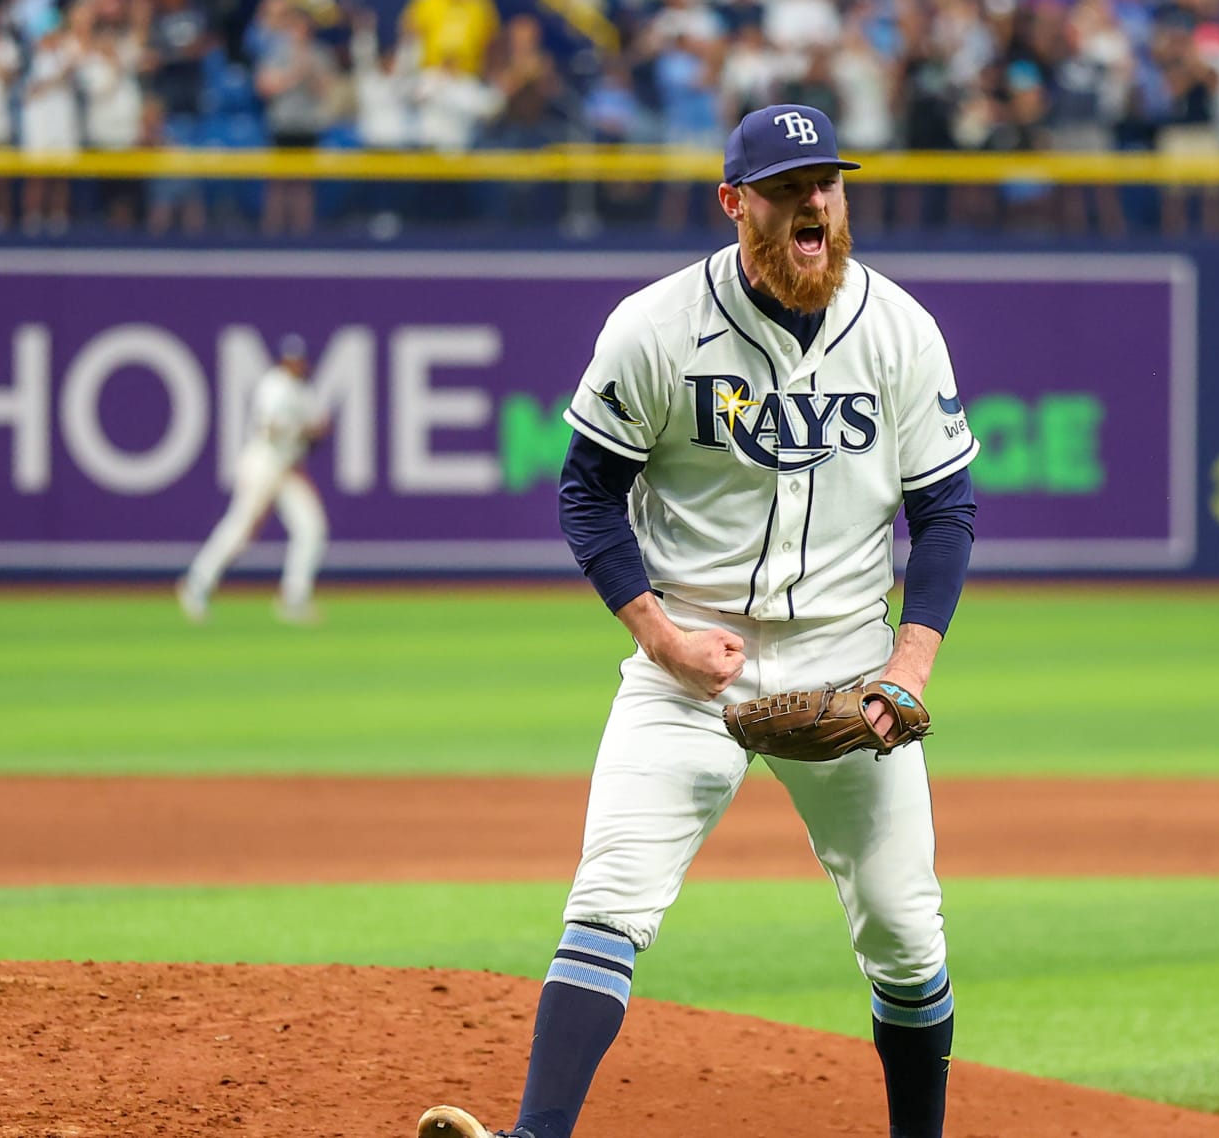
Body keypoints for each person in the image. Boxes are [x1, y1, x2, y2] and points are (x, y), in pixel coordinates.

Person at [416, 102, 979, 1138]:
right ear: (733, 203)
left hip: (851, 669)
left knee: (906, 935)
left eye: (826, 184)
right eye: (787, 189)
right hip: (687, 660)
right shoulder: (656, 327)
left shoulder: (899, 330)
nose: (814, 205)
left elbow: (944, 510)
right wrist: (660, 638)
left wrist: (910, 663)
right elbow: (587, 494)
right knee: (609, 898)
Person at [177, 335, 331, 625]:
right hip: (263, 463)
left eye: (298, 360)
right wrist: (305, 430)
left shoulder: (304, 391)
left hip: (288, 468)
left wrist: (310, 432)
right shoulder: (274, 385)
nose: (295, 365)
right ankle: (197, 583)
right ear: (282, 361)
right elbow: (270, 429)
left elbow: (321, 428)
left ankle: (294, 597)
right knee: (241, 528)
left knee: (311, 528)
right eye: (290, 360)